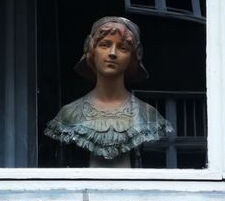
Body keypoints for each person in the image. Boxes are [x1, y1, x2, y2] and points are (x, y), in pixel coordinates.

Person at [44, 16, 173, 168]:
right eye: (104, 45)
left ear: (133, 56)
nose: (112, 53)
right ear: (92, 50)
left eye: (123, 47)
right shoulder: (70, 114)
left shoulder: (147, 114)